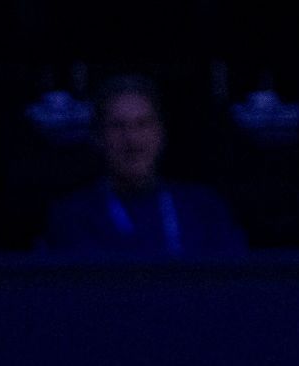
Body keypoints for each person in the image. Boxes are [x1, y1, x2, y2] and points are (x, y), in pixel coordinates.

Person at [44, 77, 246, 258]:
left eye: (143, 124)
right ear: (98, 137)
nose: (132, 140)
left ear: (160, 134)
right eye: (117, 126)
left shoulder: (204, 209)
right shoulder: (72, 217)